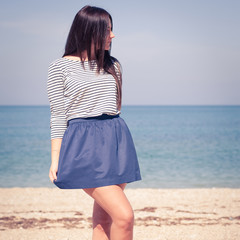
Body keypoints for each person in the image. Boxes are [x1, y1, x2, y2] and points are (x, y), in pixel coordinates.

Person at [47, 5, 141, 240]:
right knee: (124, 216)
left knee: (103, 221)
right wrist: (55, 159)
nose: (112, 35)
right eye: (107, 30)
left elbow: (113, 106)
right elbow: (58, 115)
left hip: (116, 140)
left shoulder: (113, 65)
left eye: (112, 29)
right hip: (84, 145)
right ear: (90, 30)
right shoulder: (60, 67)